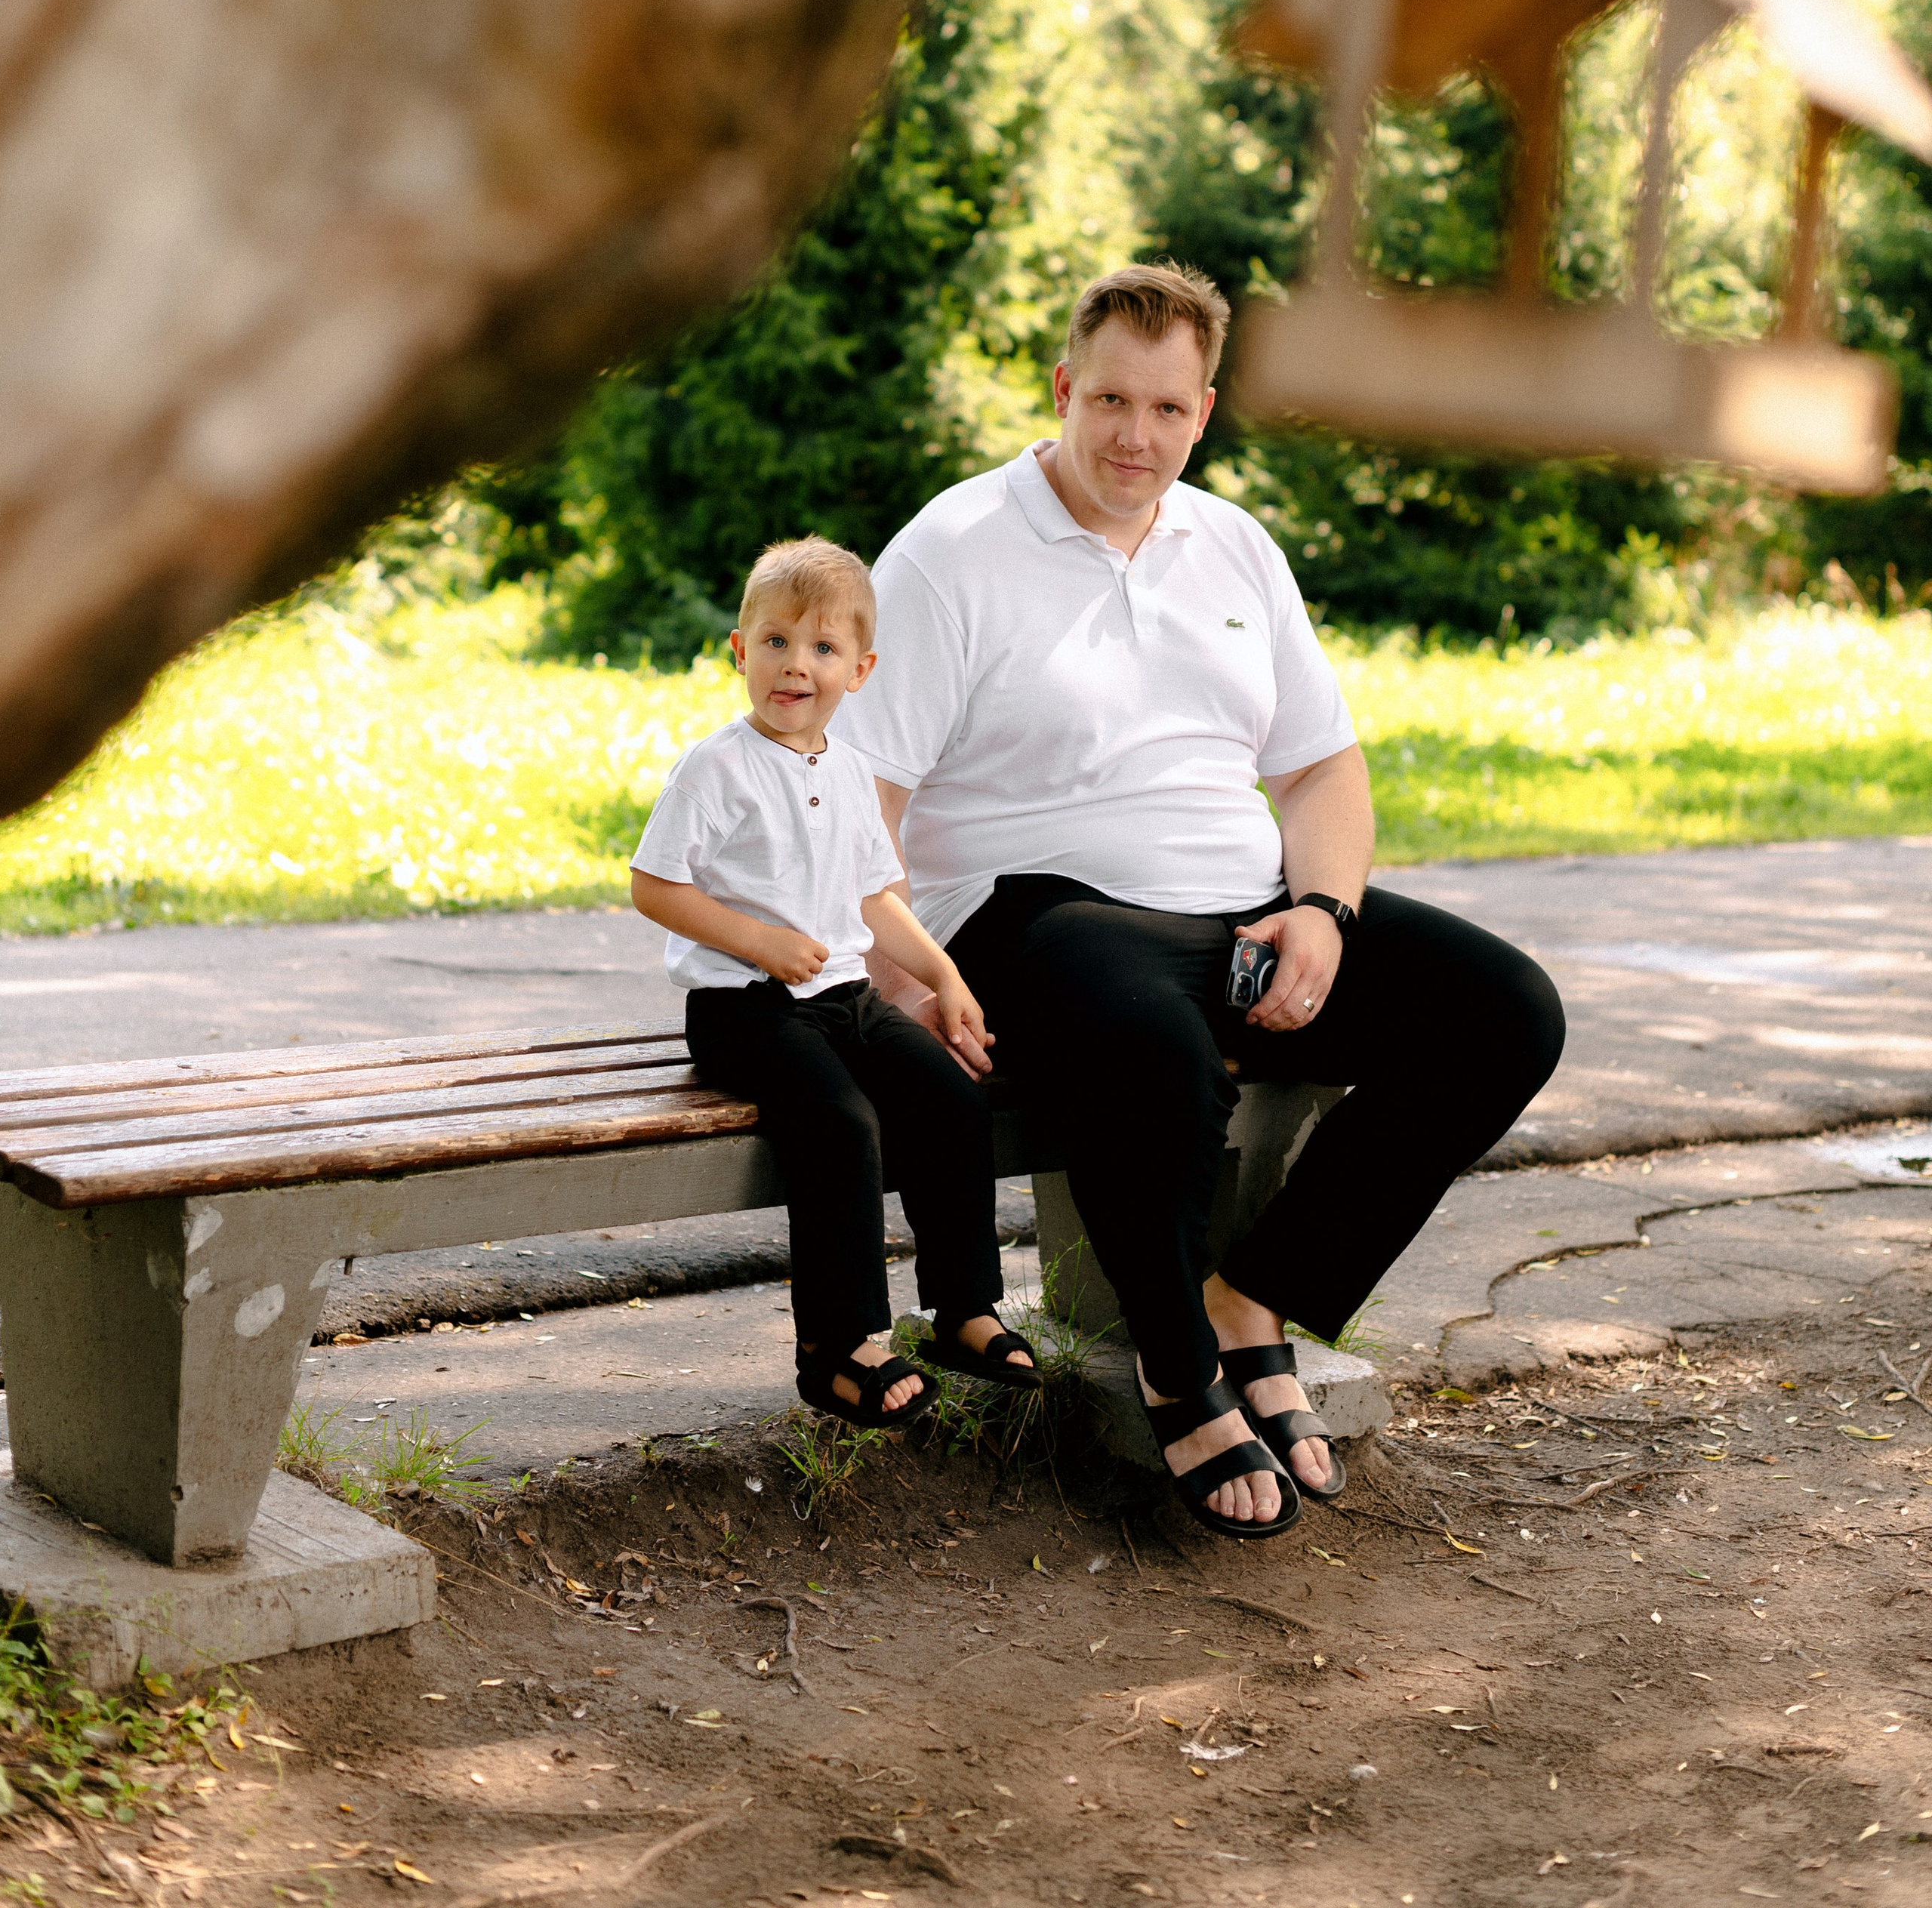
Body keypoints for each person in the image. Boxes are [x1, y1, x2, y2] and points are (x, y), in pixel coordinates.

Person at [840, 265, 1564, 1538]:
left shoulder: (1232, 543)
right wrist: (898, 966)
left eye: (1167, 408)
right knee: (1153, 1046)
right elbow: (862, 795)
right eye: (1111, 398)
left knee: (1505, 1008)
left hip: (1237, 904)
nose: (1137, 434)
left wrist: (1324, 911)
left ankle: (1254, 1296)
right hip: (1034, 908)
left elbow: (1322, 764)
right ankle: (1180, 1370)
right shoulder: (953, 552)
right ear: (1064, 387)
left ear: (1204, 410)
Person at [630, 536, 1040, 1426]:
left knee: (949, 1091)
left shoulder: (851, 771)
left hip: (844, 997)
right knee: (839, 1122)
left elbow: (874, 894)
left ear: (861, 669)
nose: (796, 665)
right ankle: (840, 1345)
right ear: (740, 651)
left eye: (822, 648)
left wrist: (941, 970)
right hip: (744, 1010)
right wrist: (758, 941)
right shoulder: (717, 766)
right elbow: (654, 884)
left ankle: (963, 1307)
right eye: (775, 641)